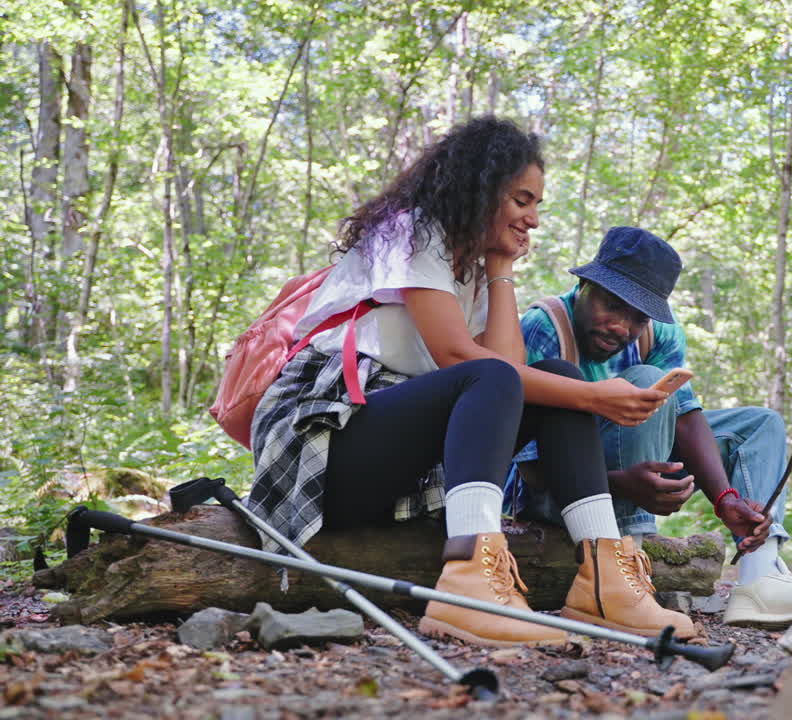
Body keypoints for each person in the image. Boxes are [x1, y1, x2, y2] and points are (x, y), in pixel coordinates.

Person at [244, 118, 694, 648]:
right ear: (482, 188)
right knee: (506, 377)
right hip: (323, 446)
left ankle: (603, 576)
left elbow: (512, 373)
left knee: (555, 379)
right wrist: (600, 398)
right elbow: (464, 359)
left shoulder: (471, 265)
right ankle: (469, 580)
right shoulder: (409, 229)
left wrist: (500, 267)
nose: (533, 219)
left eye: (537, 205)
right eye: (522, 200)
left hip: (394, 458)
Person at [507, 226, 792, 627]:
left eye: (638, 317)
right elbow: (528, 468)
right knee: (641, 383)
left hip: (623, 466)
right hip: (548, 494)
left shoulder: (661, 334)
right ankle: (622, 575)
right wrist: (620, 484)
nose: (622, 327)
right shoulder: (544, 326)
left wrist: (725, 498)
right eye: (612, 305)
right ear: (585, 284)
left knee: (759, 425)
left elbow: (686, 417)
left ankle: (761, 578)